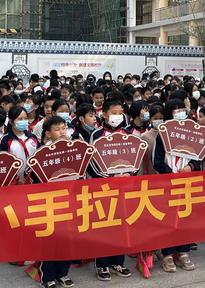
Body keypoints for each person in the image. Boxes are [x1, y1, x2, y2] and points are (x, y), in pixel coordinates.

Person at [153, 98, 198, 272]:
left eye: (182, 108)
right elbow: (156, 161)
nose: (180, 112)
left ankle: (184, 252)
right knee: (169, 218)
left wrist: (190, 166)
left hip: (187, 182)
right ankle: (167, 254)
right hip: (168, 183)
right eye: (175, 109)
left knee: (186, 217)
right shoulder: (162, 134)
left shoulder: (192, 132)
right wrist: (170, 174)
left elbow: (198, 158)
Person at [89, 100, 132, 281]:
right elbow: (91, 163)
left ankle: (118, 261)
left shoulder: (126, 133)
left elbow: (134, 158)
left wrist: (129, 173)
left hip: (123, 187)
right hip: (103, 188)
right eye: (114, 112)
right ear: (104, 114)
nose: (118, 116)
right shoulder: (97, 134)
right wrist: (109, 178)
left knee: (121, 224)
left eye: (120, 112)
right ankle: (102, 264)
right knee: (104, 224)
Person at [37, 116, 75, 288]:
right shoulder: (42, 152)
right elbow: (34, 176)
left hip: (70, 198)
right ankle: (47, 276)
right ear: (48, 133)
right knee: (50, 239)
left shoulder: (74, 148)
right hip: (49, 201)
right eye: (57, 129)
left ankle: (63, 273)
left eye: (63, 128)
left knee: (67, 238)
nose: (61, 132)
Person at [0, 106, 39, 182]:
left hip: (33, 180)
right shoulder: (5, 140)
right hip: (13, 182)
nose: (24, 121)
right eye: (20, 119)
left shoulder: (32, 137)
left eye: (25, 118)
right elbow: (3, 163)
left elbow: (39, 157)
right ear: (11, 121)